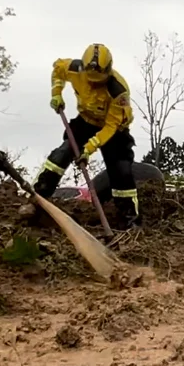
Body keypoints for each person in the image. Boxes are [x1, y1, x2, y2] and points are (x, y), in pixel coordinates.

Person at [34, 43, 141, 229]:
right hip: (85, 120)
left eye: (98, 81)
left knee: (120, 170)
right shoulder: (74, 68)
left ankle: (129, 219)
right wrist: (56, 93)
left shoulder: (118, 90)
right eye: (90, 80)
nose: (93, 84)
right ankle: (37, 196)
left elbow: (111, 126)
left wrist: (89, 148)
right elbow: (57, 71)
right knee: (62, 154)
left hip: (114, 129)